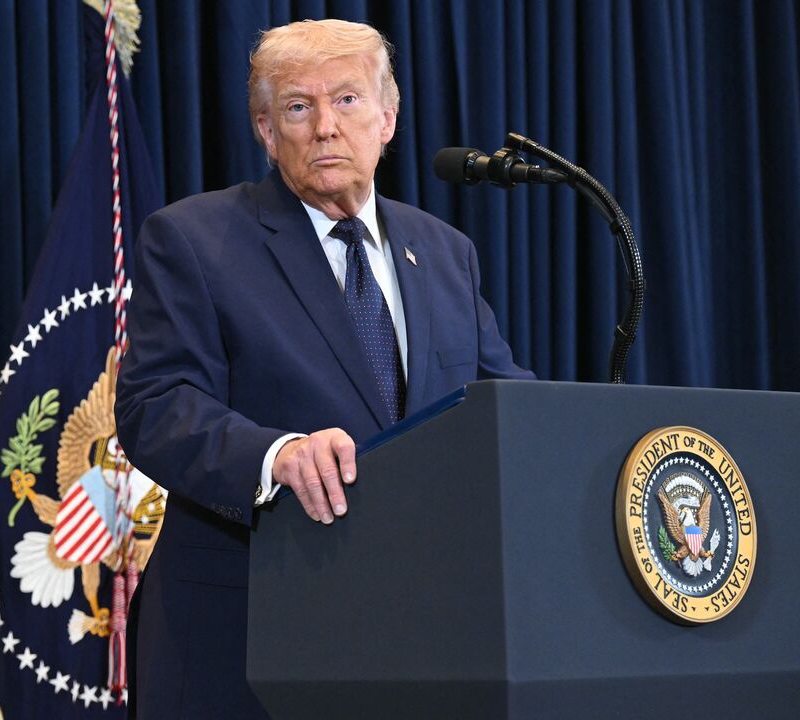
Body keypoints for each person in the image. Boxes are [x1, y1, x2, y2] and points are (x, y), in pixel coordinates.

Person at [115, 18, 533, 719]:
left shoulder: (445, 251)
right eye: (298, 108)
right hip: (249, 636)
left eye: (346, 100)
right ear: (265, 130)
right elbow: (155, 405)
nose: (325, 128)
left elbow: (499, 405)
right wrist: (275, 454)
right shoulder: (193, 240)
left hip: (423, 640)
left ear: (388, 118)